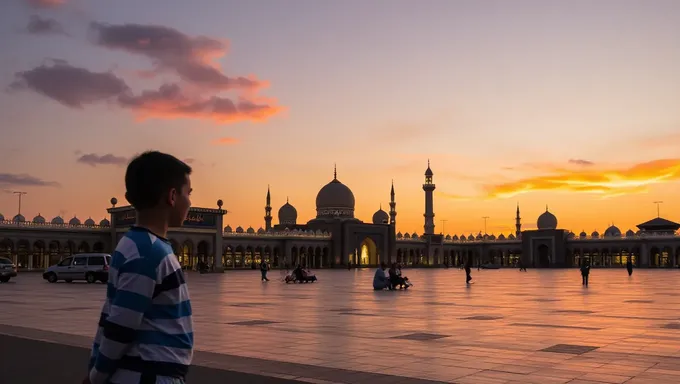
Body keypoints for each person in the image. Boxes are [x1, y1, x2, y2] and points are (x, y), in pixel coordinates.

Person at [83, 151, 194, 384]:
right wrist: (96, 377)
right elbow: (120, 328)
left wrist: (95, 366)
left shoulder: (135, 245)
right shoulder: (149, 253)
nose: (190, 202)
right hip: (147, 376)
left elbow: (110, 315)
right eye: (188, 193)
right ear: (172, 196)